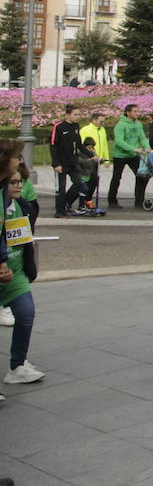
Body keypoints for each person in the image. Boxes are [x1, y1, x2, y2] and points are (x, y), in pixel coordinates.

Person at [1, 141, 42, 389]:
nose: (19, 186)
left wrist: (28, 269)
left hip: (15, 273)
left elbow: (27, 240)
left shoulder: (22, 207)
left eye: (21, 183)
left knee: (26, 314)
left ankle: (17, 366)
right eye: (14, 182)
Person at [108, 103, 150, 209]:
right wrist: (134, 149)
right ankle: (112, 201)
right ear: (128, 112)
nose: (137, 113)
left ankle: (139, 201)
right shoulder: (121, 125)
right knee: (116, 178)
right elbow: (119, 141)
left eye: (137, 111)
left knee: (142, 176)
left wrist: (147, 147)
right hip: (120, 155)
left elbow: (142, 138)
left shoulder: (138, 124)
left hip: (133, 155)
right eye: (135, 111)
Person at [74, 111, 110, 215]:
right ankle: (80, 202)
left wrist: (106, 159)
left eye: (103, 122)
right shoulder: (85, 130)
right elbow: (81, 144)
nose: (102, 124)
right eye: (101, 121)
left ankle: (87, 200)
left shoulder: (102, 130)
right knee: (85, 183)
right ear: (94, 120)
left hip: (97, 161)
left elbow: (104, 145)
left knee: (94, 182)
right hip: (87, 160)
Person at [51, 106, 84, 217]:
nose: (78, 117)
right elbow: (53, 146)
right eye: (75, 114)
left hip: (73, 162)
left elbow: (79, 144)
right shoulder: (59, 127)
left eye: (79, 114)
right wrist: (56, 163)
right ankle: (59, 211)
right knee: (61, 188)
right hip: (61, 163)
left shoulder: (76, 126)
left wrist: (91, 155)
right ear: (67, 115)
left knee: (79, 183)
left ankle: (65, 204)